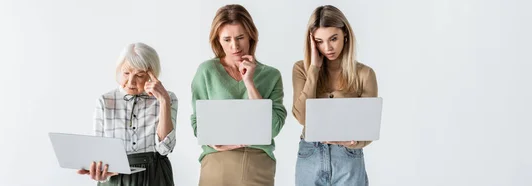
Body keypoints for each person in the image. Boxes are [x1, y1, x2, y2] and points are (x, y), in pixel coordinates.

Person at [190, 4, 287, 186]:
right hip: (217, 162)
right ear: (218, 40)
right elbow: (197, 122)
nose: (234, 46)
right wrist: (213, 142)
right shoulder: (207, 71)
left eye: (240, 37)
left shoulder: (271, 75)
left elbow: (273, 128)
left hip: (258, 163)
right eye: (226, 39)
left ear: (251, 35)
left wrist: (249, 82)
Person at [292, 5, 379, 186]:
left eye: (333, 39)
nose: (327, 47)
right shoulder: (301, 69)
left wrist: (353, 142)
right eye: (319, 41)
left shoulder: (364, 74)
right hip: (310, 154)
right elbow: (301, 117)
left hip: (347, 156)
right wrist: (314, 69)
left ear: (345, 35)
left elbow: (368, 129)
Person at [78, 42, 178, 186]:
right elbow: (98, 152)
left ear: (151, 75)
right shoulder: (105, 101)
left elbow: (165, 149)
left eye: (139, 75)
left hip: (155, 175)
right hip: (116, 177)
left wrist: (163, 101)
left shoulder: (168, 98)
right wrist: (98, 172)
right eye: (126, 73)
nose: (131, 81)